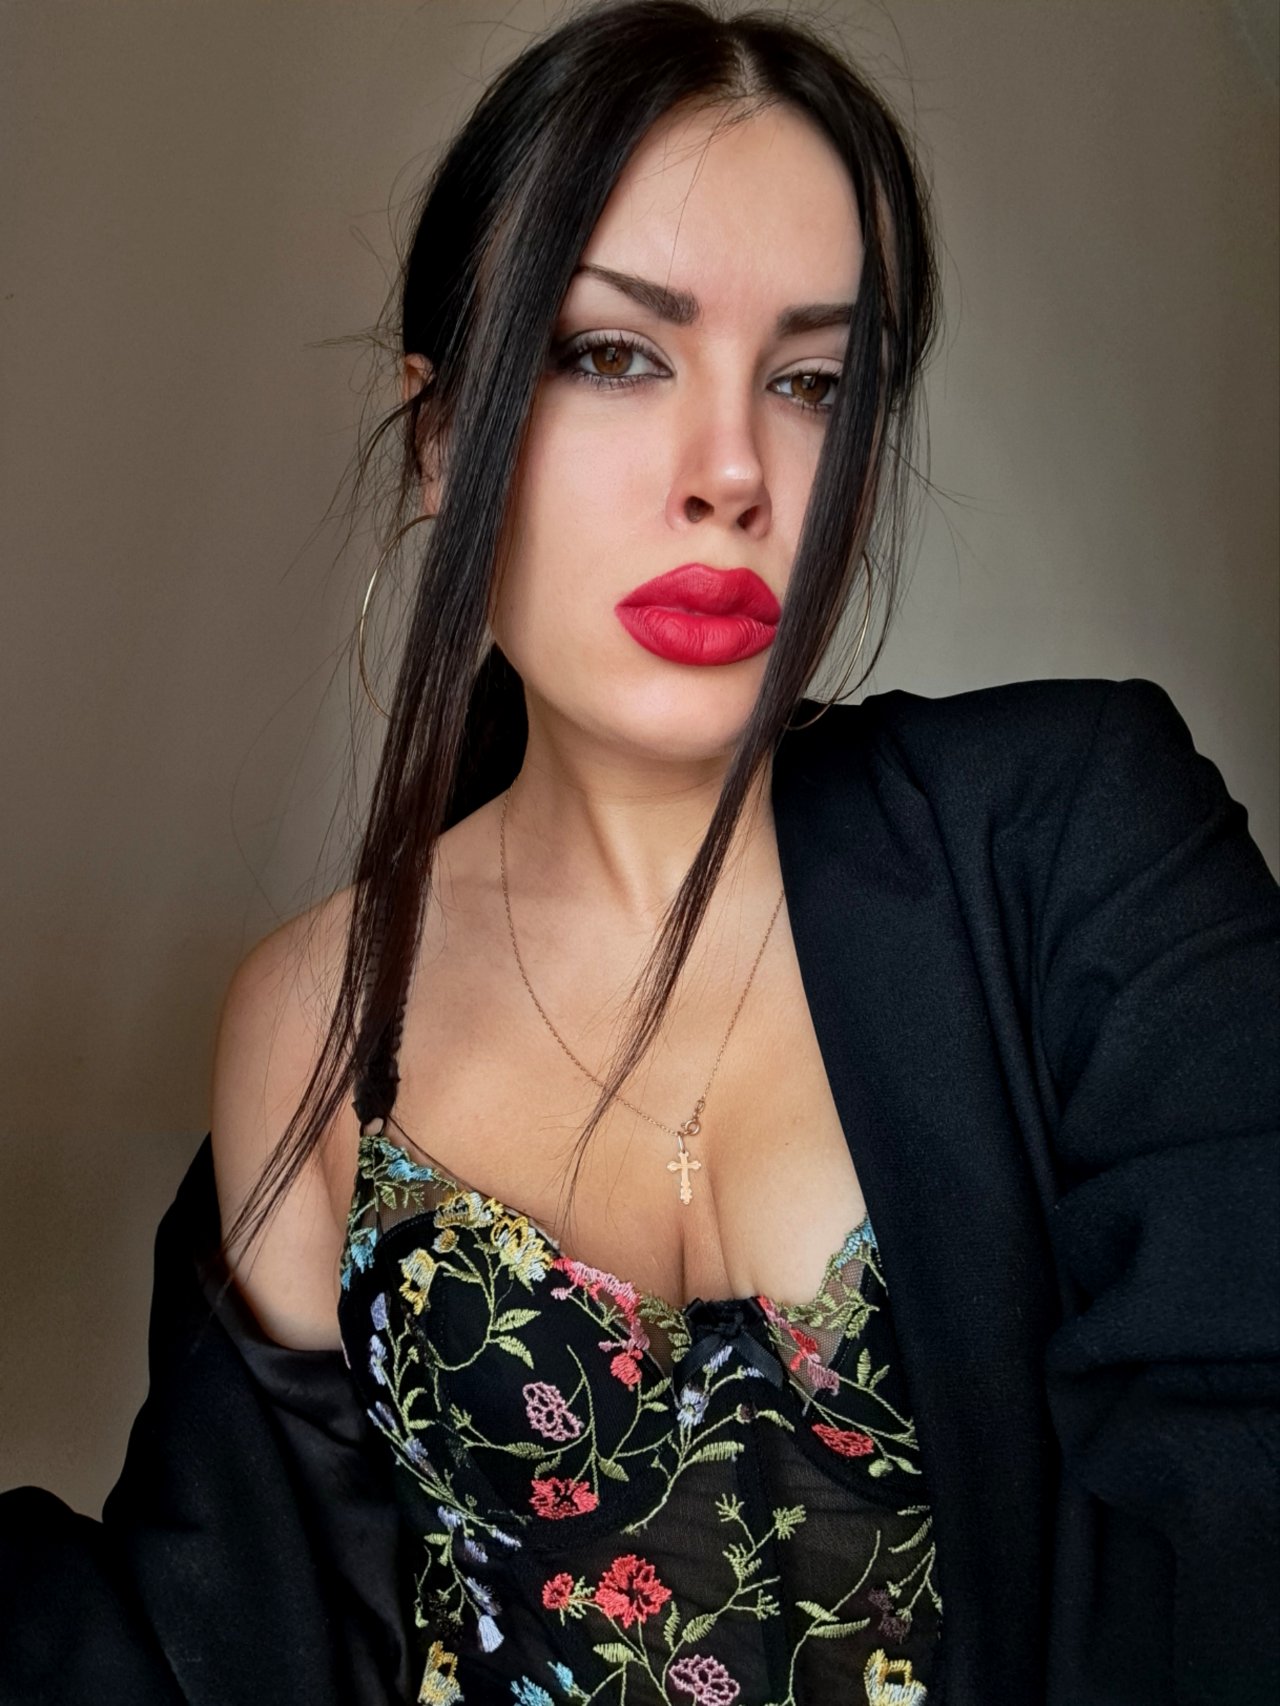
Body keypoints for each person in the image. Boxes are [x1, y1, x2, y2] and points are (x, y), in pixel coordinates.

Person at [2, 3, 1277, 1704]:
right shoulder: (315, 1021)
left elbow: (1245, 1481)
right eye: (615, 353)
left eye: (812, 383)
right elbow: (218, 1647)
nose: (733, 471)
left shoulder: (1076, 840)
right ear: (441, 437)